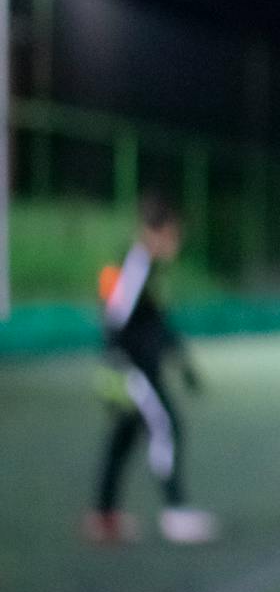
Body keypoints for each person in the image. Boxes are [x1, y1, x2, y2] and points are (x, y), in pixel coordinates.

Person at [87, 194, 219, 544]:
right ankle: (176, 513)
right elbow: (116, 318)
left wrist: (183, 363)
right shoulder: (137, 263)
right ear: (156, 232)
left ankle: (104, 516)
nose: (177, 241)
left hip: (137, 368)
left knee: (124, 438)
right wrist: (121, 367)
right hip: (132, 370)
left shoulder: (149, 268)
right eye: (174, 233)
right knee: (167, 427)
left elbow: (157, 323)